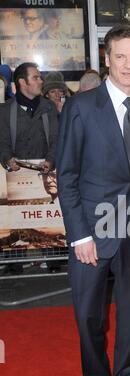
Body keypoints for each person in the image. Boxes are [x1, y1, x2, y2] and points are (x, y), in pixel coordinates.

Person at [56, 24, 130, 376]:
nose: (129, 64)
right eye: (121, 56)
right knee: (88, 316)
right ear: (106, 58)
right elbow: (66, 175)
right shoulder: (82, 107)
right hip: (91, 233)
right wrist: (79, 233)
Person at [0, 62, 58, 274]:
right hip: (16, 177)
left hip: (45, 173)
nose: (41, 81)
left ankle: (53, 260)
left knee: (47, 217)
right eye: (36, 77)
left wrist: (51, 161)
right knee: (16, 218)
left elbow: (56, 139)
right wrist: (8, 160)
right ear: (22, 82)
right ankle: (15, 262)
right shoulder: (5, 111)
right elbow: (3, 142)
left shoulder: (48, 108)